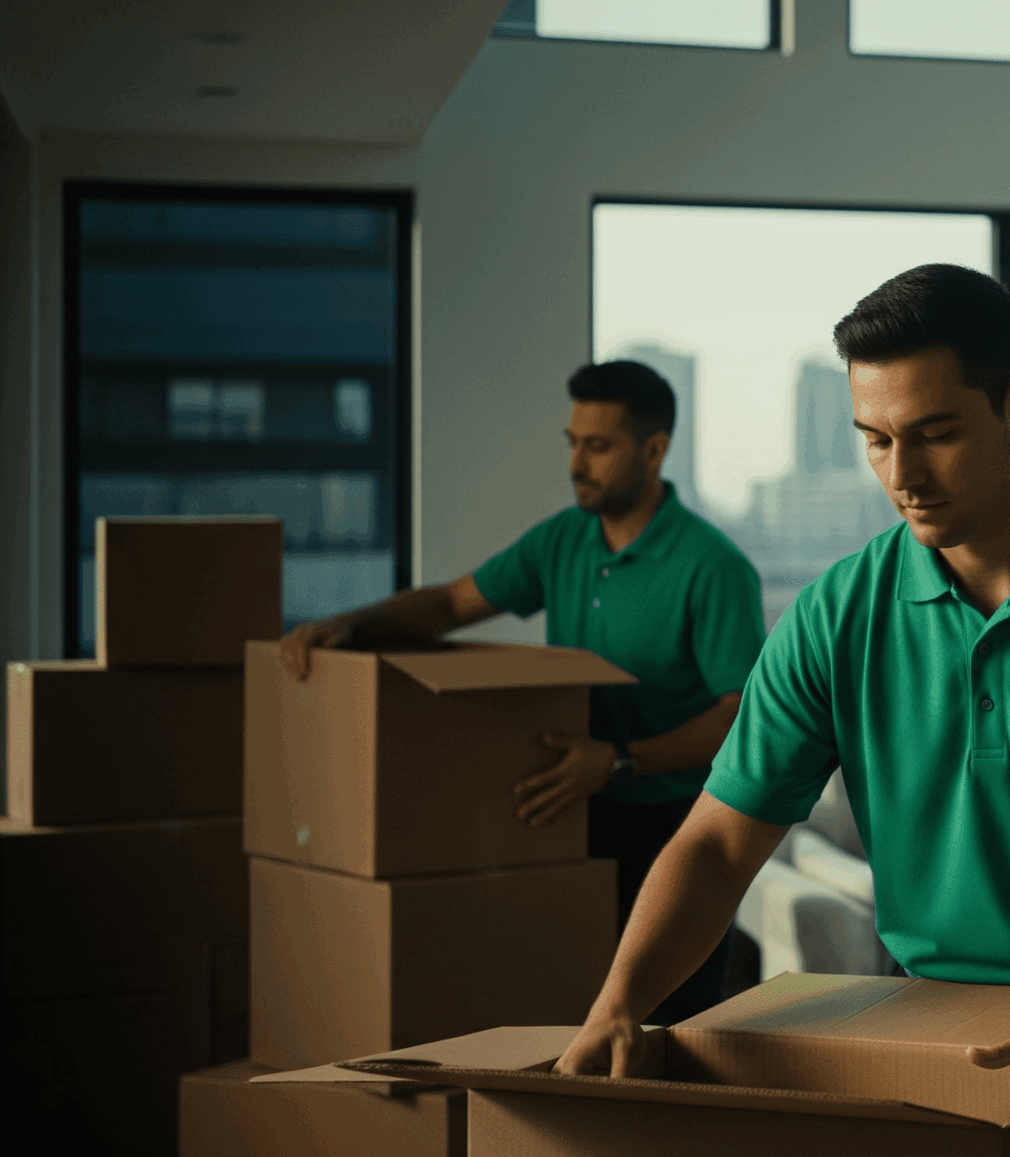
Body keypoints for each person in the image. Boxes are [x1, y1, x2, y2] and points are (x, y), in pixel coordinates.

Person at [555, 264, 1010, 1119]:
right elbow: (716, 846)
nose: (902, 474)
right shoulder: (834, 613)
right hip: (930, 1030)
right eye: (876, 438)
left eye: (936, 434)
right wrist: (618, 1006)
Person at [276, 359, 765, 1025]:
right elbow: (452, 604)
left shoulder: (713, 568)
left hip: (675, 828)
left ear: (654, 450)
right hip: (571, 814)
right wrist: (355, 622)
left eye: (598, 446)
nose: (577, 462)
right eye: (572, 442)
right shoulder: (563, 540)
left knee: (665, 1029)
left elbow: (740, 720)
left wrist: (620, 758)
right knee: (574, 1019)